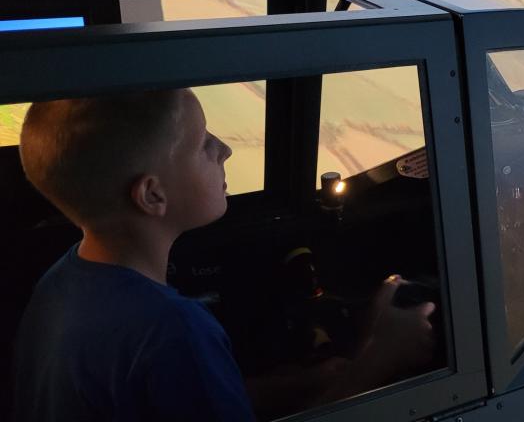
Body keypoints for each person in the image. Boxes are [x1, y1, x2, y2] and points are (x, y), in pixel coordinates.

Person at [12, 89, 435, 421]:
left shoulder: (61, 283)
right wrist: (380, 355)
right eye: (202, 144)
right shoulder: (171, 330)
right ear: (152, 195)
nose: (225, 149)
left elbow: (167, 400)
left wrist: (301, 384)